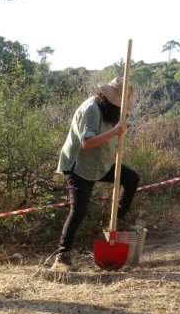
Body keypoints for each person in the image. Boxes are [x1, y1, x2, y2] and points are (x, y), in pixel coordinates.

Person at [52, 76, 140, 271]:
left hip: (101, 163)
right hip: (78, 166)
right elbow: (87, 143)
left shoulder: (112, 111)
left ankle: (115, 223)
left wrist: (115, 147)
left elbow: (107, 139)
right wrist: (114, 132)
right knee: (79, 210)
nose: (121, 108)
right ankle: (62, 257)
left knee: (131, 179)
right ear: (109, 98)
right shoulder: (92, 109)